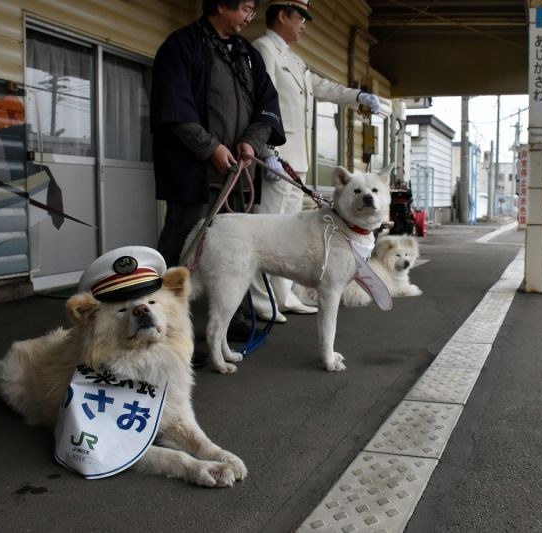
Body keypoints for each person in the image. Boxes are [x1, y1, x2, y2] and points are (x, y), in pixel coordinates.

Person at [150, 0, 286, 340]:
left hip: (237, 176)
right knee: (180, 247)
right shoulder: (182, 45)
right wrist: (211, 148)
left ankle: (234, 317)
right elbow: (175, 110)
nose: (248, 18)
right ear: (222, 5)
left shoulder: (248, 54)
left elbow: (267, 108)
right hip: (195, 174)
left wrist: (251, 143)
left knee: (237, 253)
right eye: (246, 9)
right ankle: (157, 318)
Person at [249, 0, 381, 322]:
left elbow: (324, 88)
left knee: (288, 237)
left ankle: (283, 296)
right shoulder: (263, 48)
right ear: (282, 15)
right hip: (277, 158)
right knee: (265, 233)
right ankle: (262, 304)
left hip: (296, 161)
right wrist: (266, 152)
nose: (304, 25)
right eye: (301, 18)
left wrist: (358, 97)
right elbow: (258, 102)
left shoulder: (294, 60)